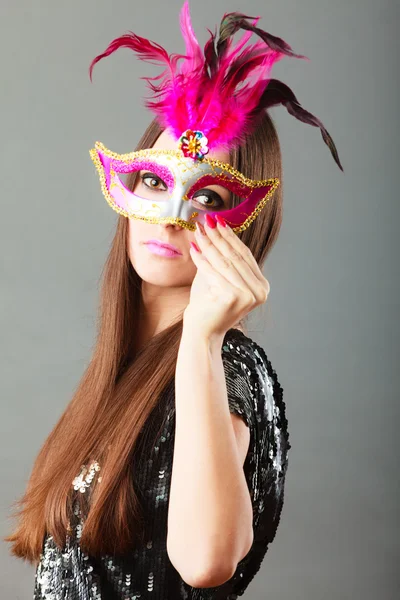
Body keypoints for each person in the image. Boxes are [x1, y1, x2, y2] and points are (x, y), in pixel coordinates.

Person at [5, 3, 342, 598]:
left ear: (245, 225)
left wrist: (203, 341)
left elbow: (206, 560)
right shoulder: (121, 367)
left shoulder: (229, 370)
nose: (172, 218)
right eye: (157, 182)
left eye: (209, 198)